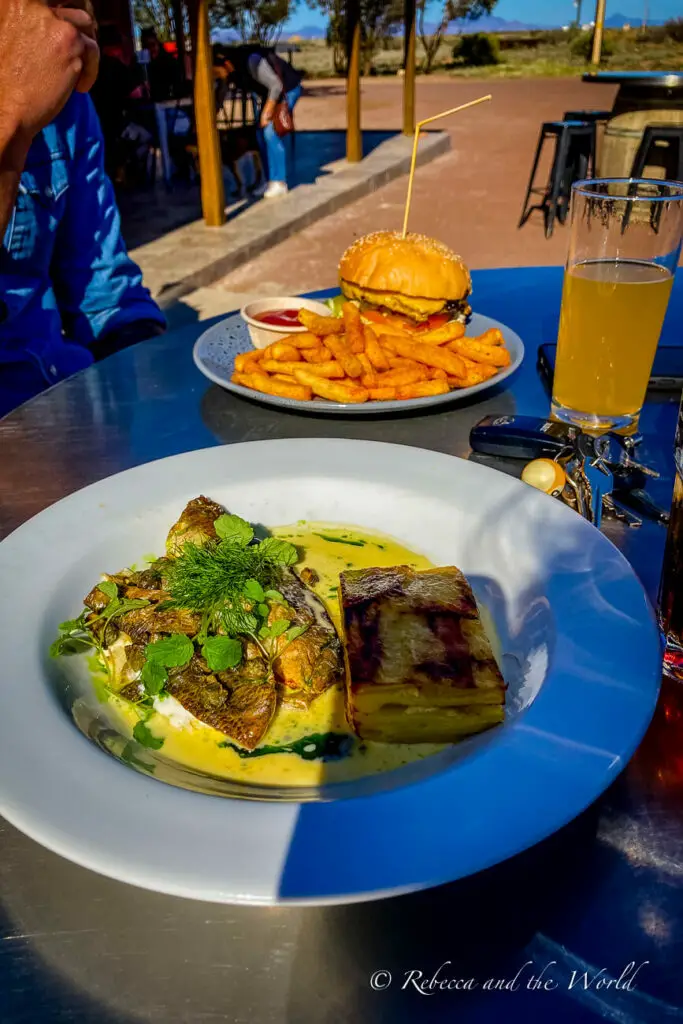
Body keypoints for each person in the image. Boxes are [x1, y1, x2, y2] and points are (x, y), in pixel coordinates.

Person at [0, 0, 165, 418]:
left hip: (60, 400)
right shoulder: (23, 85)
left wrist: (163, 392)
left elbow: (101, 288)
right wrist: (11, 112)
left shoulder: (64, 95)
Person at [244, 49, 303, 199]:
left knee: (271, 132)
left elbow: (276, 85)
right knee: (259, 134)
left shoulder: (252, 62)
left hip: (287, 89)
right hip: (271, 92)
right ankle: (269, 180)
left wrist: (267, 113)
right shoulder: (230, 74)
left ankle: (279, 182)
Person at [140, 27, 183, 103]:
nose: (150, 49)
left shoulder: (169, 61)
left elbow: (177, 84)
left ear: (157, 44)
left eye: (152, 45)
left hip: (168, 101)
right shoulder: (141, 64)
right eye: (146, 47)